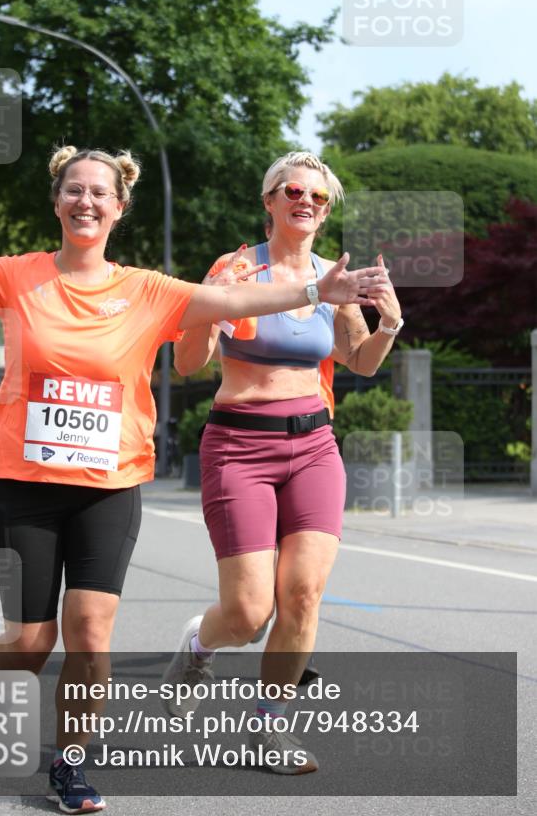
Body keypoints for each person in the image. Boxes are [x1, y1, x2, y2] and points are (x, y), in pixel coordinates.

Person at [0, 146, 386, 812]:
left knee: (89, 631)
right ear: (56, 201)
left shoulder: (147, 290)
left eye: (99, 193)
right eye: (74, 191)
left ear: (119, 207)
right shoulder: (14, 276)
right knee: (29, 642)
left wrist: (319, 290)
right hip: (24, 486)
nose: (86, 202)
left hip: (109, 488)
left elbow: (233, 299)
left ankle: (71, 763)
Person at [164, 150, 402, 774]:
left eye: (319, 198)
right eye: (294, 190)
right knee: (247, 613)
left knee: (301, 595)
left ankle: (269, 728)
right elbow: (189, 363)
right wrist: (208, 305)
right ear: (268, 201)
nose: (307, 202)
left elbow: (361, 361)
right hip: (239, 445)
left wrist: (390, 326)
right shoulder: (236, 268)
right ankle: (198, 643)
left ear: (326, 212)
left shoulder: (336, 277)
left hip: (315, 447)